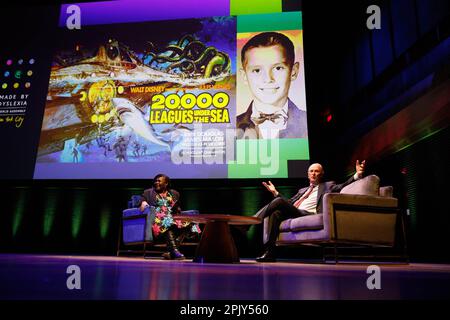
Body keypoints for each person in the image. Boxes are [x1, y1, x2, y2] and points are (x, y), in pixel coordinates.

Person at [254, 160, 366, 262]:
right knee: (276, 213)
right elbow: (288, 202)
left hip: (308, 214)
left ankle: (253, 220)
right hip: (296, 213)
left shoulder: (328, 185)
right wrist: (275, 193)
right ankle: (270, 253)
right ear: (308, 175)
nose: (313, 173)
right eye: (311, 171)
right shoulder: (302, 190)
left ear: (321, 174)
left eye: (316, 171)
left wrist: (357, 175)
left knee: (279, 202)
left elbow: (343, 186)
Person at [237, 31, 307, 139]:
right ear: (244, 76)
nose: (268, 79)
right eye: (256, 70)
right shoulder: (231, 126)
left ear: (293, 72)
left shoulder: (306, 121)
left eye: (278, 68)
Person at [138, 173, 201, 260]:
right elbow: (142, 205)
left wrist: (177, 209)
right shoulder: (148, 192)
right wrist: (144, 204)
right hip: (157, 222)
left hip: (173, 219)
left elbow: (178, 209)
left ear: (166, 183)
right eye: (155, 181)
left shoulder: (174, 194)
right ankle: (174, 251)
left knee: (192, 221)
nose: (156, 182)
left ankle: (174, 250)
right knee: (167, 223)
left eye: (159, 181)